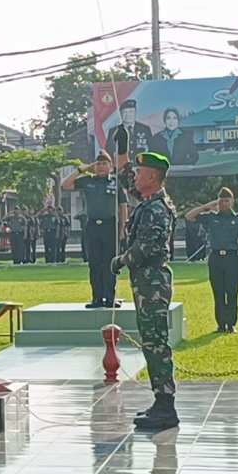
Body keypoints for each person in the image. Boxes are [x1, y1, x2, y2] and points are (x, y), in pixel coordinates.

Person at [110, 132, 178, 431]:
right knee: (151, 341)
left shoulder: (156, 209)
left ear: (152, 177)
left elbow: (144, 249)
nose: (135, 177)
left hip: (152, 281)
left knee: (155, 342)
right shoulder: (151, 201)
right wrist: (122, 148)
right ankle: (161, 401)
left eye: (140, 173)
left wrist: (121, 260)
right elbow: (125, 177)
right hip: (147, 281)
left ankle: (166, 406)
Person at [61, 149, 128, 308]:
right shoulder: (87, 181)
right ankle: (97, 298)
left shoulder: (116, 182)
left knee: (110, 263)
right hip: (92, 226)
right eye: (98, 164)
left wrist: (122, 228)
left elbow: (123, 206)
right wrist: (82, 169)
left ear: (110, 165)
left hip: (110, 226)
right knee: (95, 263)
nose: (101, 166)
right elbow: (65, 185)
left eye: (104, 163)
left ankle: (110, 298)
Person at [186, 188, 238, 333]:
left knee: (232, 292)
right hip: (216, 257)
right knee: (218, 292)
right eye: (221, 200)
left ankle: (231, 324)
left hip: (232, 258)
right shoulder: (211, 217)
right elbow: (189, 216)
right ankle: (221, 325)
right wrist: (206, 206)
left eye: (227, 200)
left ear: (232, 201)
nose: (224, 203)